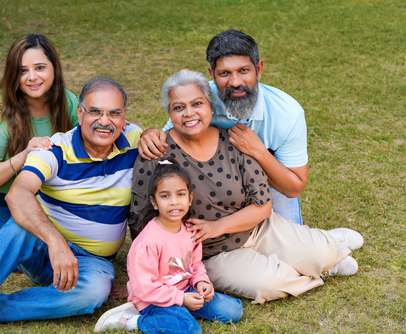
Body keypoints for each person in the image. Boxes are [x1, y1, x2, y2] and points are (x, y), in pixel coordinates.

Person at [0, 77, 141, 334]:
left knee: (94, 292)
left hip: (93, 262)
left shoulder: (136, 140)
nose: (105, 121)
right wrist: (56, 243)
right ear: (80, 113)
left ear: (124, 116)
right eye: (95, 111)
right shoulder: (55, 149)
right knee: (21, 224)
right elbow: (18, 194)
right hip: (44, 250)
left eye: (114, 113)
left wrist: (153, 134)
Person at [130, 69, 363, 305]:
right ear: (170, 113)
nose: (189, 113)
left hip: (257, 228)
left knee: (323, 253)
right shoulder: (156, 154)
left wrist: (217, 225)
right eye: (179, 107)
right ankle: (318, 267)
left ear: (211, 106)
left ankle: (325, 250)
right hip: (209, 253)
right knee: (270, 284)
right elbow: (141, 221)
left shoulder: (233, 141)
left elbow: (263, 205)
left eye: (197, 103)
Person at [138, 30, 308, 225]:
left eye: (243, 71)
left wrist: (258, 151)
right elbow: (171, 135)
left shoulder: (287, 113)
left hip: (268, 181)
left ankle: (331, 241)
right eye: (224, 73)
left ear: (259, 69)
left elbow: (294, 187)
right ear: (212, 74)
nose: (235, 82)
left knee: (291, 242)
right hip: (220, 184)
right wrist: (150, 133)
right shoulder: (199, 99)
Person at [0, 34, 79, 246]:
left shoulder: (67, 101)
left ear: (53, 68)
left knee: (62, 241)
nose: (32, 77)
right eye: (22, 71)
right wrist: (25, 154)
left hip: (31, 189)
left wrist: (145, 134)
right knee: (21, 255)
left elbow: (97, 127)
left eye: (40, 67)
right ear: (13, 75)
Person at [94, 159, 242, 333]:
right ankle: (134, 320)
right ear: (154, 202)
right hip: (153, 299)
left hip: (185, 290)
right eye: (165, 196)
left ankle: (179, 312)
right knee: (190, 330)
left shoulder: (190, 231)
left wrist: (201, 282)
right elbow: (144, 288)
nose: (174, 202)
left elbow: (195, 265)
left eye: (180, 194)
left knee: (233, 311)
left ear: (190, 198)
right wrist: (181, 299)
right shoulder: (148, 242)